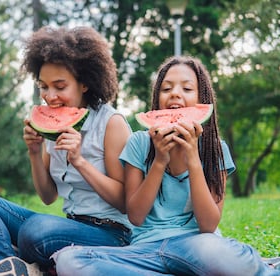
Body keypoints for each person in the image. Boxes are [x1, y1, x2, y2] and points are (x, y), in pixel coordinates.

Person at [52, 55, 280, 276]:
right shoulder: (139, 143)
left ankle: (266, 267)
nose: (175, 95)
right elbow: (136, 217)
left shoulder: (214, 148)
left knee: (223, 257)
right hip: (145, 250)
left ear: (203, 99)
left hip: (198, 247)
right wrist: (160, 161)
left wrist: (193, 158)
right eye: (166, 88)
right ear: (157, 98)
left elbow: (208, 225)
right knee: (70, 261)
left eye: (187, 89)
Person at [0, 25, 133, 276]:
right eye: (44, 86)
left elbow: (126, 202)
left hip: (111, 234)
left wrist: (79, 161)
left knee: (36, 231)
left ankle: (15, 259)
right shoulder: (53, 126)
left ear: (84, 83)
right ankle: (8, 266)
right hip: (66, 226)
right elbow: (48, 196)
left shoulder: (112, 123)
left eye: (60, 86)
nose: (50, 96)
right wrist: (34, 151)